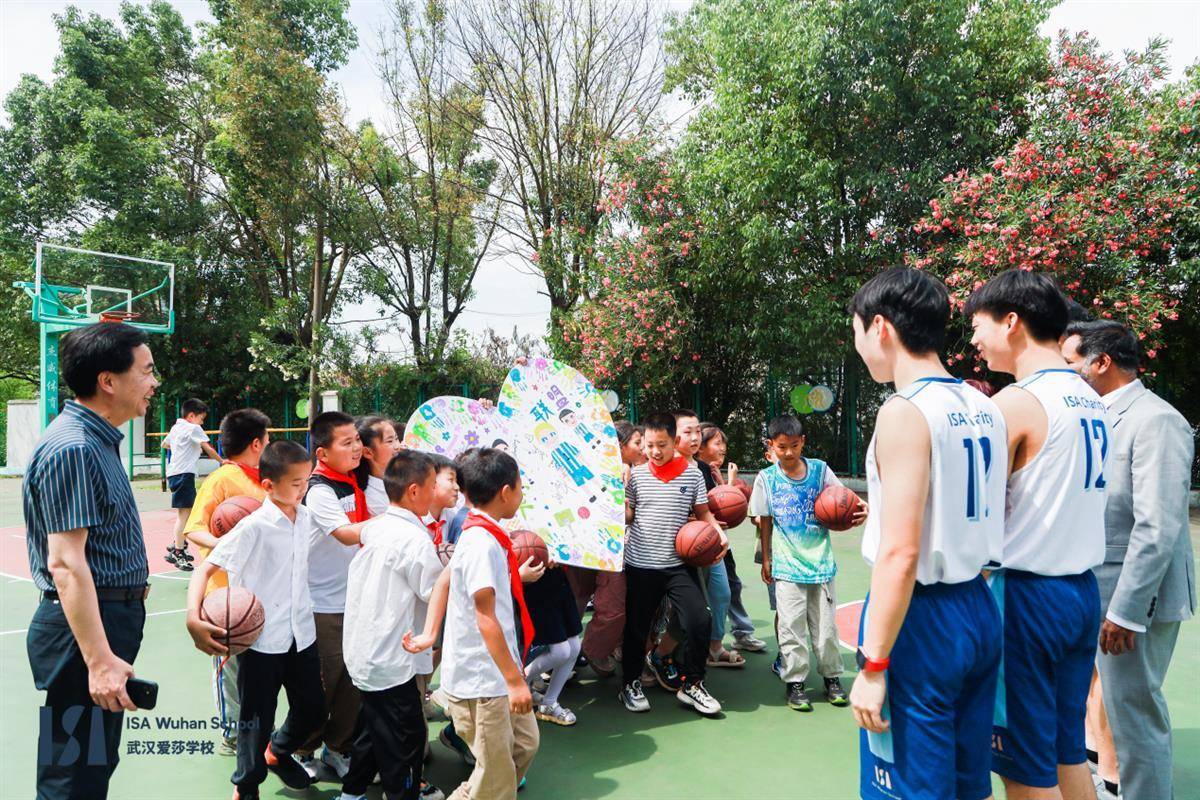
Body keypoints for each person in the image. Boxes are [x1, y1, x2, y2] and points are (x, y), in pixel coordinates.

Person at [849, 267, 1006, 800]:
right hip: (978, 605)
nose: (859, 348)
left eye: (856, 334)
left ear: (880, 328)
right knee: (968, 783)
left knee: (907, 786)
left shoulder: (904, 411)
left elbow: (901, 551)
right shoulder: (985, 406)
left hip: (922, 618)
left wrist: (873, 664)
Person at [966, 269, 1106, 800]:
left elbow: (973, 514)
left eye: (978, 326)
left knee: (1022, 766)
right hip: (1079, 594)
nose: (974, 341)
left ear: (1011, 321)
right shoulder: (1090, 397)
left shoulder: (1016, 404)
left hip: (1027, 598)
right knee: (1066, 750)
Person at [23, 322, 158, 800]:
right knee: (72, 776)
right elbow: (65, 564)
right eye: (146, 371)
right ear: (108, 381)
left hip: (103, 620)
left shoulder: (96, 440)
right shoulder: (75, 447)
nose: (154, 382)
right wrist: (98, 660)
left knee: (91, 765)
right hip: (85, 628)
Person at [1063, 320, 1196, 800]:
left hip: (1138, 600)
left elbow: (1157, 526)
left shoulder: (1156, 420)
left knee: (1135, 719)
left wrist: (1126, 611)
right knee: (1115, 715)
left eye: (1071, 364)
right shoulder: (1098, 416)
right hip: (1101, 589)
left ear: (1101, 363)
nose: (1066, 374)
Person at [184, 439, 326, 799]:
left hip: (301, 634)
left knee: (313, 712)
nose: (303, 488)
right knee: (254, 721)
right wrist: (192, 616)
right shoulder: (253, 527)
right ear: (267, 485)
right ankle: (246, 786)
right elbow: (203, 569)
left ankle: (277, 752)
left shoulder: (307, 517)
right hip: (262, 639)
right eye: (296, 483)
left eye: (306, 481)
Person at [404, 447, 541, 799]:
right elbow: (485, 617)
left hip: (499, 670)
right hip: (485, 681)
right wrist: (515, 682)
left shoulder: (480, 532)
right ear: (506, 492)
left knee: (523, 746)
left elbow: (445, 580)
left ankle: (475, 790)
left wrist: (430, 633)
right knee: (496, 777)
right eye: (521, 487)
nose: (522, 494)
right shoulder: (482, 542)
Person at [340, 450, 446, 800]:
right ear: (414, 491)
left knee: (374, 726)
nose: (436, 492)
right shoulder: (414, 540)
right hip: (391, 656)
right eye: (433, 485)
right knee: (406, 742)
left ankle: (352, 793)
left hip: (366, 651)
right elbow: (434, 591)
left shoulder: (376, 527)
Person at [750, 414, 863, 711]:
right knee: (791, 627)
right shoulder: (767, 478)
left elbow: (844, 499)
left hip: (821, 565)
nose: (788, 453)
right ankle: (795, 681)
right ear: (771, 446)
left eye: (794, 445)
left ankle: (832, 678)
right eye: (782, 447)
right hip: (787, 566)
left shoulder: (821, 471)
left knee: (826, 629)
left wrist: (859, 511)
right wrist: (767, 557)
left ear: (803, 443)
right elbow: (765, 520)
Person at [618, 411, 727, 717]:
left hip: (679, 565)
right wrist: (616, 501)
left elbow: (703, 512)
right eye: (649, 445)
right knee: (637, 628)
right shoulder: (636, 476)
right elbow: (629, 516)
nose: (654, 451)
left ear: (674, 441)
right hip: (641, 564)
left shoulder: (692, 474)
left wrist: (718, 534)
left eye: (661, 445)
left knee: (699, 621)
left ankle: (692, 684)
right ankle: (629, 684)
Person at [184, 408, 271, 754]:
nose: (270, 444)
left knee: (259, 667)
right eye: (267, 439)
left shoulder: (264, 479)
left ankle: (260, 726)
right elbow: (194, 529)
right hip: (223, 593)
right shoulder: (222, 479)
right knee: (230, 667)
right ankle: (233, 731)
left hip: (259, 589)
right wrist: (229, 544)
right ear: (255, 443)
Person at [299, 410, 370, 779]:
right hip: (323, 605)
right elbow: (345, 533)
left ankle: (338, 748)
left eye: (358, 439)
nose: (357, 447)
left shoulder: (352, 480)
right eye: (347, 442)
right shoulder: (319, 489)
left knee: (352, 681)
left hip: (354, 599)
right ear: (323, 453)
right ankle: (301, 748)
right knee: (325, 682)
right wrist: (399, 524)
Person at [564, 421, 640, 678]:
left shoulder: (636, 472)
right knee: (575, 600)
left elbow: (627, 514)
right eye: (637, 442)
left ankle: (592, 649)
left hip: (613, 547)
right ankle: (564, 655)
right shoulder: (584, 464)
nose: (643, 448)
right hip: (582, 544)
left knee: (613, 605)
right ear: (619, 445)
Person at [698, 422, 765, 653]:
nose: (723, 448)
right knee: (711, 593)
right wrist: (728, 483)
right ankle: (709, 641)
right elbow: (714, 507)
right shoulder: (695, 470)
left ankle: (740, 633)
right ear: (700, 446)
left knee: (731, 587)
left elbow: (726, 507)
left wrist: (726, 481)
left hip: (721, 542)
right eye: (717, 443)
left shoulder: (711, 471)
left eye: (724, 444)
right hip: (702, 543)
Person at [161, 397, 219, 570]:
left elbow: (165, 444)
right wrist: (223, 462)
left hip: (174, 473)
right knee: (184, 515)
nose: (202, 422)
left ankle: (177, 544)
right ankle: (178, 551)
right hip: (184, 474)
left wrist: (181, 448)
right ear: (192, 416)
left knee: (190, 512)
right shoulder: (194, 428)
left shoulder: (176, 427)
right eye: (202, 418)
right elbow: (208, 448)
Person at [523, 562, 583, 726]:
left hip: (558, 577)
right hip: (535, 581)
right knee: (560, 651)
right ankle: (518, 683)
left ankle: (549, 703)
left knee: (574, 646)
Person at [354, 415, 401, 517]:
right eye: (389, 441)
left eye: (396, 439)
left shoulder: (403, 477)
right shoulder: (370, 497)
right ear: (368, 452)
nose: (398, 446)